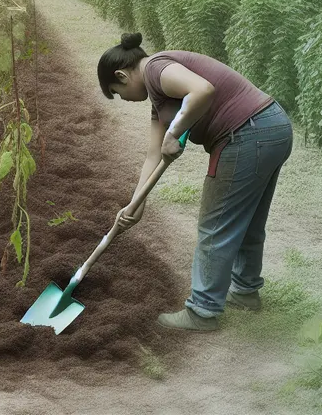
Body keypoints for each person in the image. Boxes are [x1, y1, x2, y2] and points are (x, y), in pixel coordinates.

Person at [97, 33, 293, 332]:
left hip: (246, 134)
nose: (123, 99)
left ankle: (202, 311)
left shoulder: (155, 69)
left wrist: (175, 133)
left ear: (122, 75)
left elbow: (202, 90)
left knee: (216, 224)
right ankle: (245, 291)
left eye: (117, 92)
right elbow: (153, 155)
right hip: (271, 127)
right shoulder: (159, 97)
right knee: (248, 220)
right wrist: (135, 204)